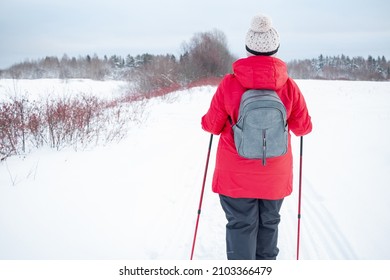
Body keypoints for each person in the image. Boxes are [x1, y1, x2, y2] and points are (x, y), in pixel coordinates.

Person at [201, 13, 312, 260]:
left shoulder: (229, 84)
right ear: (276, 48)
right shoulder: (290, 86)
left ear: (248, 47)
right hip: (275, 174)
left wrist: (208, 121)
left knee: (241, 225)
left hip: (235, 176)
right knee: (269, 224)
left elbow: (212, 125)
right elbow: (303, 128)